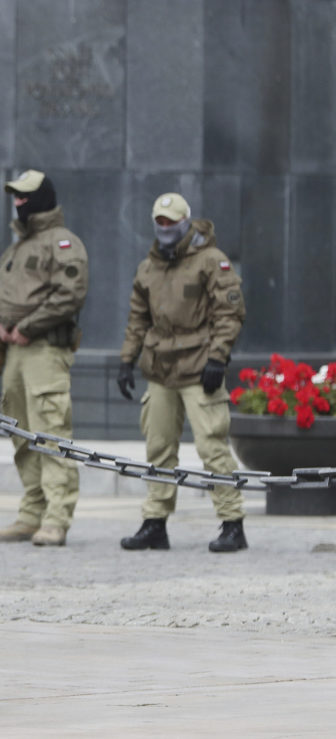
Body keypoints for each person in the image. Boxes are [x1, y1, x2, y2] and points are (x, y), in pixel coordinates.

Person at [117, 192, 248, 553]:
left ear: (186, 221)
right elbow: (137, 319)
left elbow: (229, 313)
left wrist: (218, 358)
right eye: (159, 221)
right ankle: (155, 522)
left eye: (171, 221)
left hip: (199, 367)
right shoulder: (149, 267)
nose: (165, 228)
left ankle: (232, 522)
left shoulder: (211, 261)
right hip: (160, 369)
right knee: (158, 447)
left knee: (212, 446)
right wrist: (127, 360)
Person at [0, 169, 88, 547]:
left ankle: (57, 517)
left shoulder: (63, 243)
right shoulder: (17, 246)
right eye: (14, 194)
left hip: (44, 349)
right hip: (14, 350)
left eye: (25, 195)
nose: (17, 201)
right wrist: (2, 326)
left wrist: (26, 326)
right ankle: (32, 513)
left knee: (51, 430)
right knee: (20, 431)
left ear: (43, 197)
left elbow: (69, 294)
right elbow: (0, 293)